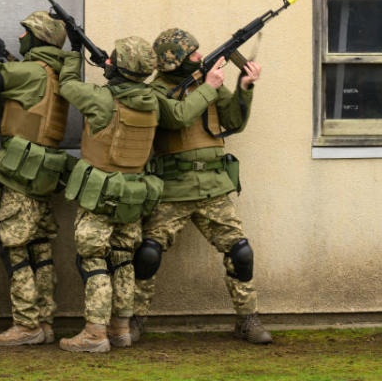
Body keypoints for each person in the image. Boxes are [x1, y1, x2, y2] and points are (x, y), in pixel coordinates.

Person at [132, 28, 272, 345]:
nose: (199, 56)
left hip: (213, 186)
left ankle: (248, 319)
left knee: (241, 252)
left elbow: (233, 121)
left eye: (198, 51)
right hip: (173, 189)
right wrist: (209, 86)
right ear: (173, 62)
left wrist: (244, 88)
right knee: (147, 254)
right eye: (192, 54)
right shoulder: (154, 92)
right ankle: (134, 320)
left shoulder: (205, 81)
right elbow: (177, 118)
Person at [0, 11, 71, 346]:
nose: (19, 37)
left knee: (12, 247)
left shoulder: (30, 71)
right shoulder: (53, 72)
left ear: (39, 39)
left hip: (22, 175)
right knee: (40, 248)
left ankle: (26, 324)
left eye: (25, 32)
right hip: (43, 173)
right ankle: (44, 320)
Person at [57, 35, 160, 353]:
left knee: (94, 261)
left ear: (118, 67)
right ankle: (120, 329)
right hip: (133, 196)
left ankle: (94, 333)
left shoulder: (101, 100)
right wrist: (113, 69)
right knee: (123, 261)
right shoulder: (153, 101)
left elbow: (68, 85)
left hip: (100, 195)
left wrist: (75, 52)